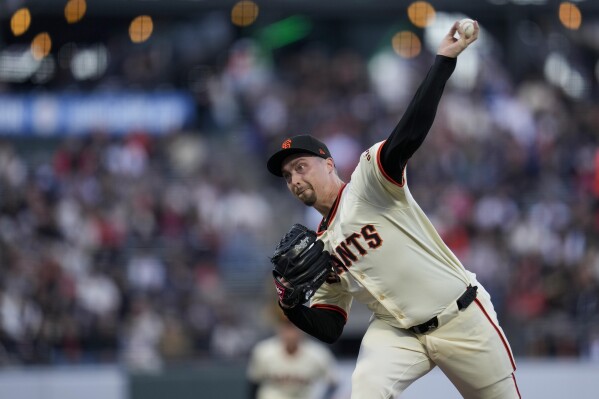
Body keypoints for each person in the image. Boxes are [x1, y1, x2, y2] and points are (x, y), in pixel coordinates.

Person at [266, 21, 521, 398]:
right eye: (287, 175)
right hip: (397, 333)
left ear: (329, 163)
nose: (294, 179)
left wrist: (443, 63)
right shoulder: (319, 248)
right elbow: (331, 326)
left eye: (300, 166)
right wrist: (291, 305)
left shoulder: (368, 183)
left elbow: (409, 133)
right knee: (365, 389)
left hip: (460, 315)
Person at [247, 312, 339, 399]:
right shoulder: (264, 351)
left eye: (294, 326)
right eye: (287, 326)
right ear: (279, 328)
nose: (290, 332)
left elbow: (333, 383)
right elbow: (254, 383)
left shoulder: (318, 354)